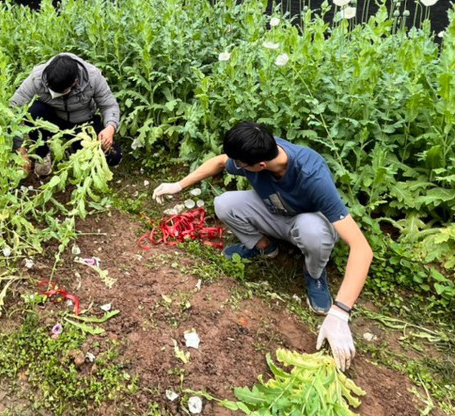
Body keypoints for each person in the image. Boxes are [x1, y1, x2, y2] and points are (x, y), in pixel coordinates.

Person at [152, 122, 372, 371]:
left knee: (313, 233)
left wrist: (340, 313)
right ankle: (264, 247)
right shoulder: (255, 154)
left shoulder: (312, 173)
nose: (237, 166)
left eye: (242, 165)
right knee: (224, 203)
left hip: (307, 221)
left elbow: (362, 249)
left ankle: (315, 273)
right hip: (274, 211)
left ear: (260, 166)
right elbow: (221, 162)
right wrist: (178, 185)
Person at [11, 52, 122, 176]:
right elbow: (14, 110)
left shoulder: (93, 77)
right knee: (34, 110)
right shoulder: (36, 78)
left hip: (82, 123)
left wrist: (110, 128)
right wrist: (19, 149)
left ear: (74, 82)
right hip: (52, 120)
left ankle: (75, 146)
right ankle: (42, 154)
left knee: (113, 157)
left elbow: (109, 105)